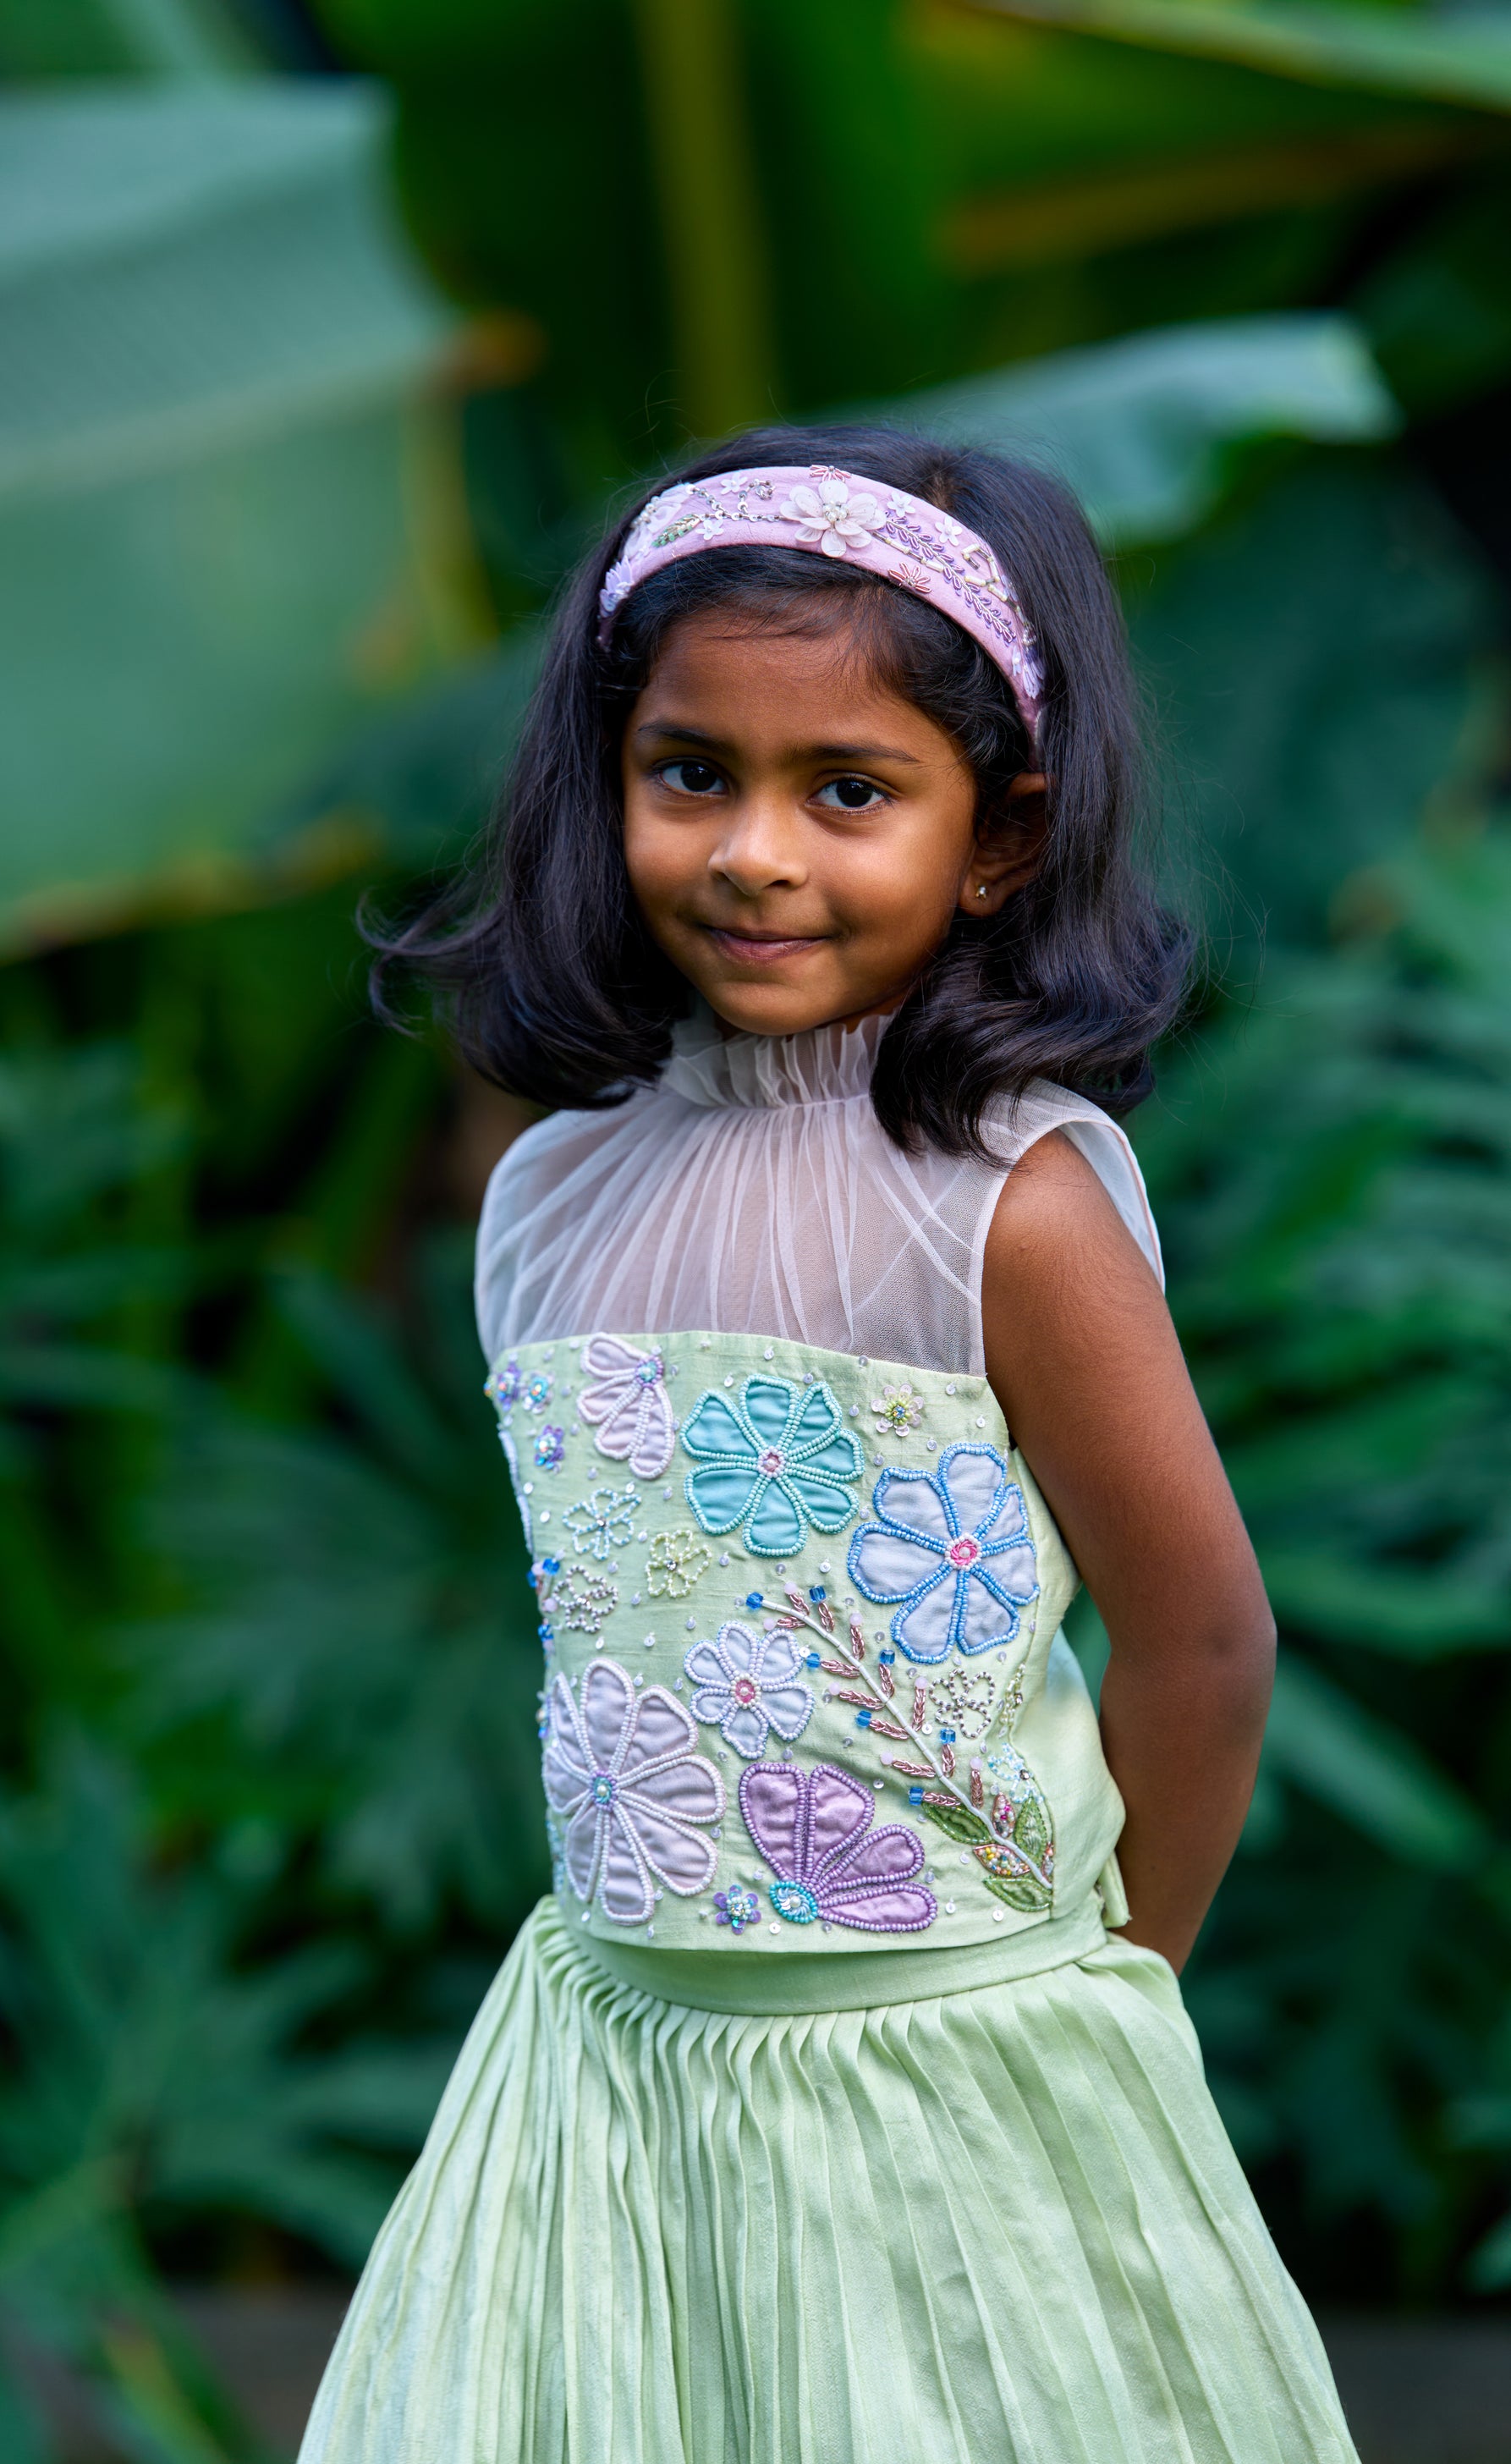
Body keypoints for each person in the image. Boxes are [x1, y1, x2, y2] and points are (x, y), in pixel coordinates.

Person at [299, 427, 1360, 2463]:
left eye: (847, 790)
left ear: (998, 835)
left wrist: (1107, 1999)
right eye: (692, 772)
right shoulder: (547, 1198)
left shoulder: (1010, 1211)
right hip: (610, 2092)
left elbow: (1202, 1640)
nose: (754, 852)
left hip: (955, 2082)